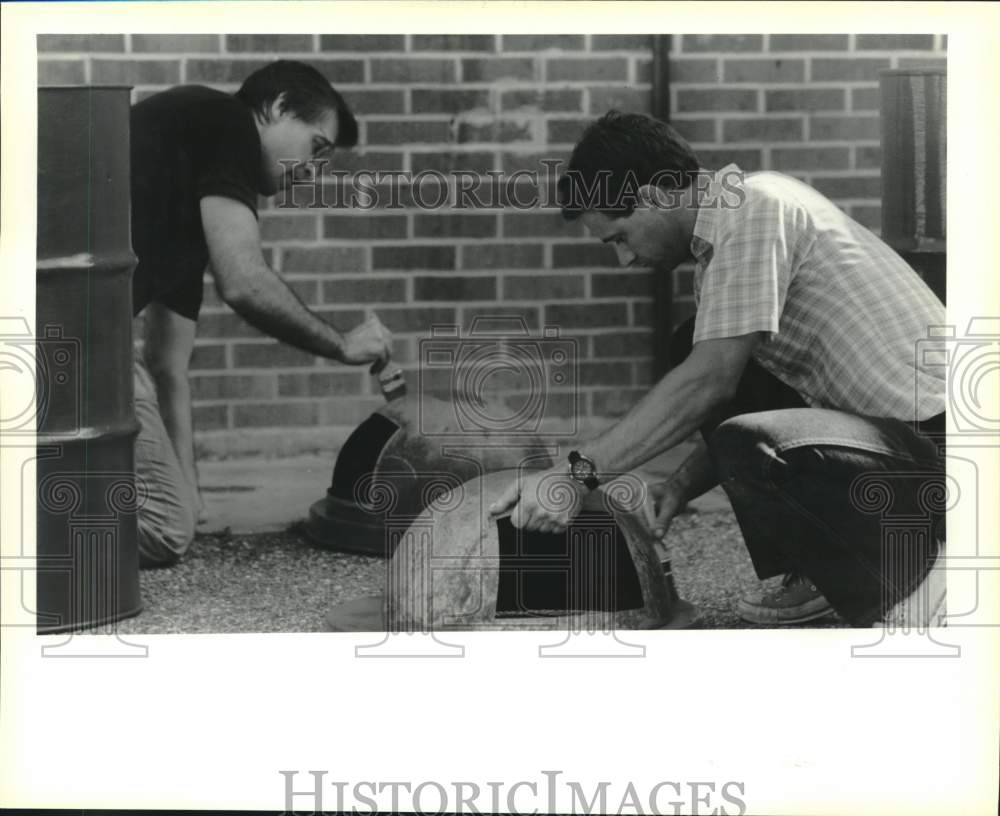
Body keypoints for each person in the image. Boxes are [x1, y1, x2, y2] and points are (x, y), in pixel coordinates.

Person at [490, 111, 947, 628]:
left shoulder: (755, 208)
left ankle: (917, 591)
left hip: (943, 450)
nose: (624, 260)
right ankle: (821, 570)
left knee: (745, 429)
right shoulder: (726, 240)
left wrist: (574, 476)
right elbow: (731, 383)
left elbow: (710, 383)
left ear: (656, 195)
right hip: (899, 447)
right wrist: (680, 486)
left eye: (618, 237)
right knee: (693, 341)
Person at [130, 60, 393, 567]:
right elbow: (244, 282)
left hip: (81, 334)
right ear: (275, 109)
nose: (314, 172)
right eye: (317, 148)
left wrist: (188, 486)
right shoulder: (225, 121)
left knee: (176, 513)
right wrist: (341, 344)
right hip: (69, 328)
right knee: (164, 528)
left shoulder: (188, 193)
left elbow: (168, 365)